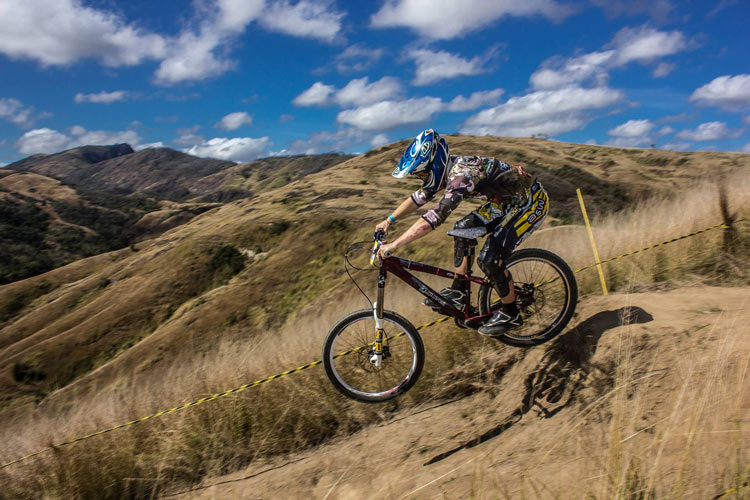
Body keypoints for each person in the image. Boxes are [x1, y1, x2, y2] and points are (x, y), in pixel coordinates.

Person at [375, 129, 549, 336]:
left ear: (435, 164)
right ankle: (459, 290)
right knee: (461, 231)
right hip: (504, 203)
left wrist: (395, 245)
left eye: (422, 173)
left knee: (490, 259)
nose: (421, 178)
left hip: (529, 203)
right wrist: (388, 221)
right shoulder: (447, 171)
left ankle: (511, 313)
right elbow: (419, 197)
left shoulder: (460, 176)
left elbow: (436, 216)